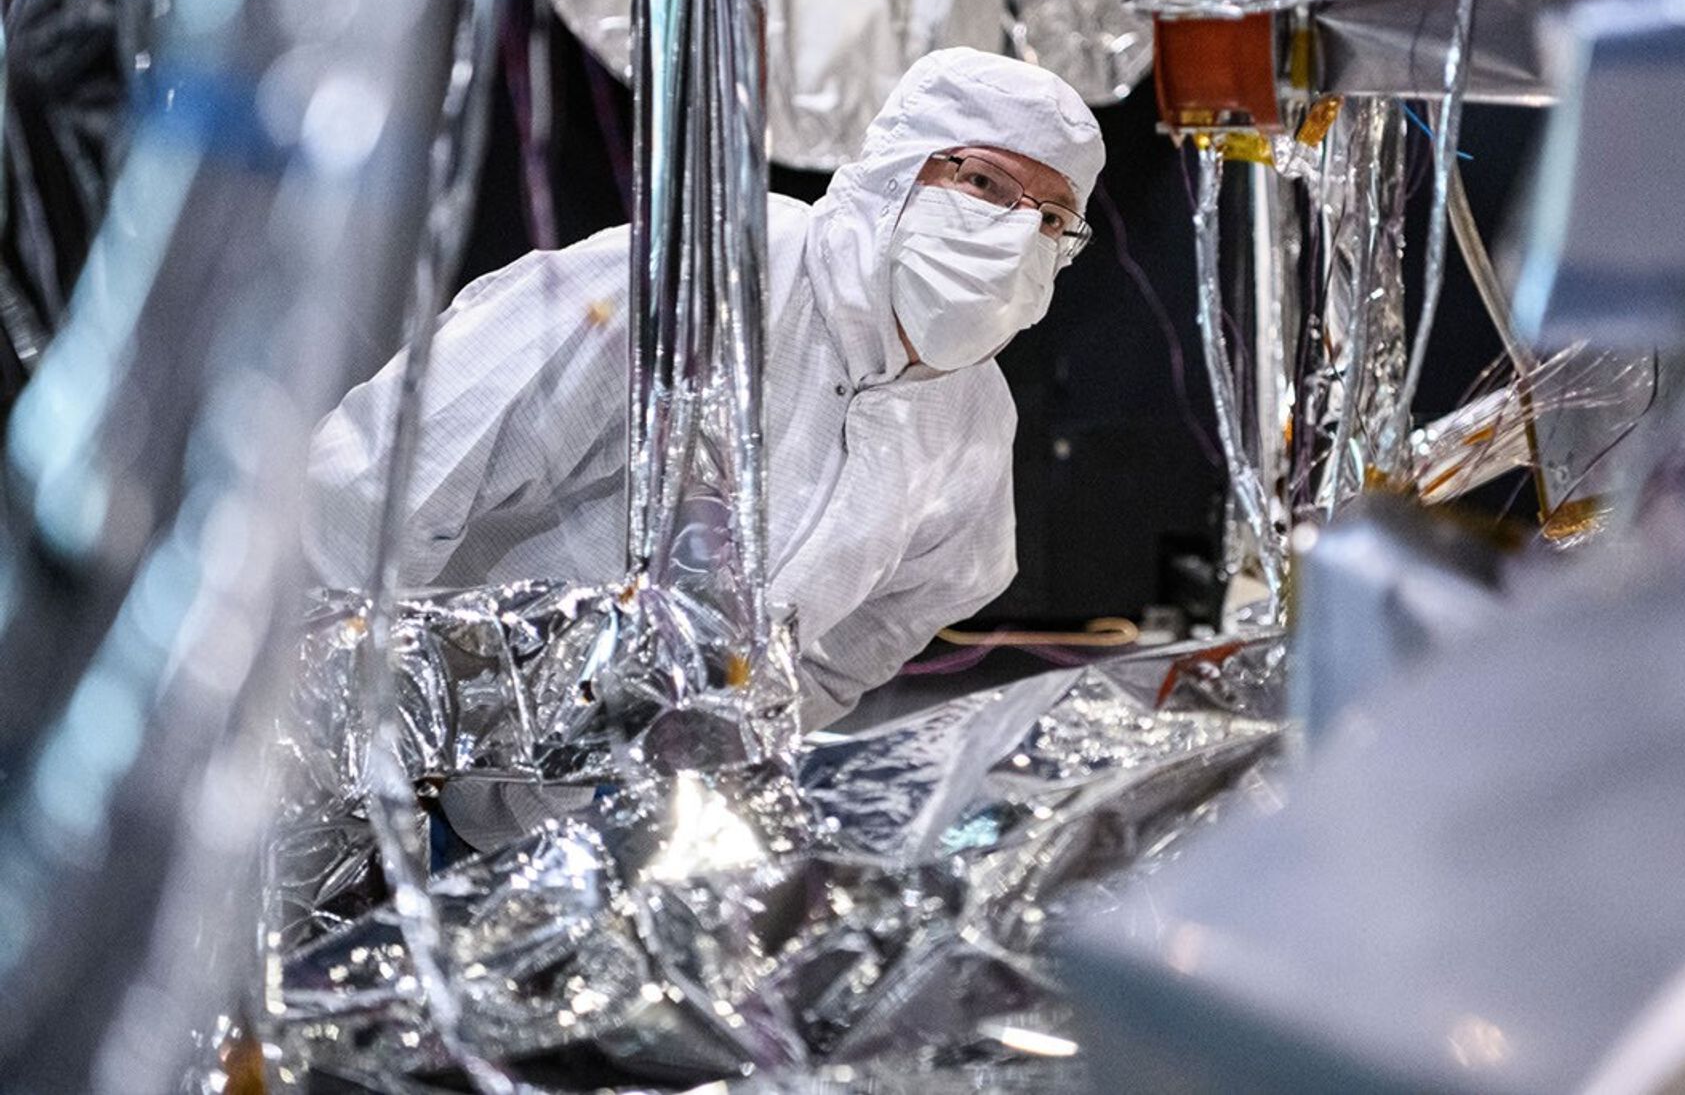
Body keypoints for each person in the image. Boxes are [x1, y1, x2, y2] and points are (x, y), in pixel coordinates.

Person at [305, 47, 1104, 727]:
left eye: (1050, 219)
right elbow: (373, 490)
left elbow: (862, 645)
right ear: (901, 168)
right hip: (403, 775)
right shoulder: (696, 278)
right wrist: (375, 748)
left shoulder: (971, 425)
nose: (1014, 233)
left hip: (610, 836)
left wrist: (728, 753)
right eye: (987, 185)